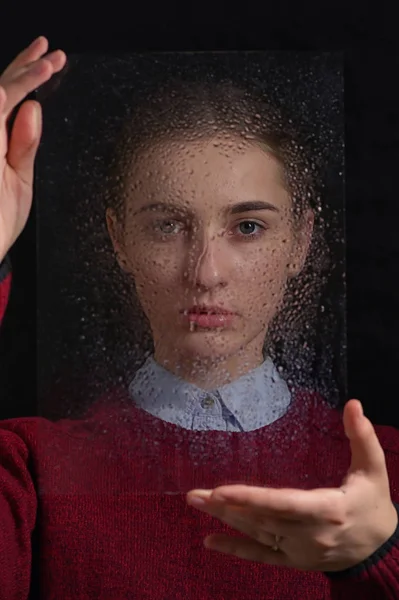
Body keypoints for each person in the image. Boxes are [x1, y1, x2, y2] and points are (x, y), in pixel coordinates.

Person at [0, 37, 399, 600]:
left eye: (248, 227)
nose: (206, 273)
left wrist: (381, 559)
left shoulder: (384, 471)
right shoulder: (27, 467)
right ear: (119, 241)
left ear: (300, 243)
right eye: (167, 225)